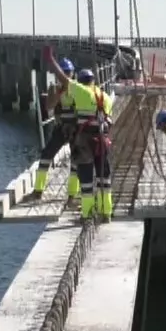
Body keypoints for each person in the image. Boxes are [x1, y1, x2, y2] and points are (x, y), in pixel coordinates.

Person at [47, 52, 115, 220]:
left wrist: (51, 60)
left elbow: (64, 80)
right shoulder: (105, 97)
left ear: (81, 81)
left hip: (85, 141)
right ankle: (106, 212)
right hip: (102, 140)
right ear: (93, 81)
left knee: (86, 180)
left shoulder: (82, 91)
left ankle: (87, 214)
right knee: (104, 178)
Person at [29, 58, 78, 199]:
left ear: (72, 73)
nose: (65, 75)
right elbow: (49, 107)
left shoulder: (78, 88)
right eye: (63, 72)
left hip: (75, 128)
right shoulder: (54, 89)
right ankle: (38, 190)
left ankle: (73, 194)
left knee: (76, 160)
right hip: (60, 128)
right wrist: (59, 93)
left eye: (68, 72)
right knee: (46, 155)